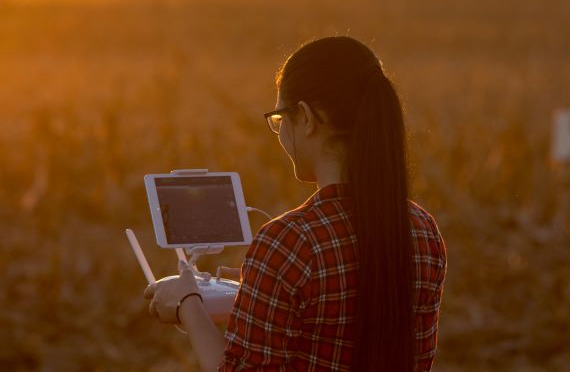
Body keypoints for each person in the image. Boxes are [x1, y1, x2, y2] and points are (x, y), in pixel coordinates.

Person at [144, 36, 447, 371]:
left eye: (278, 118)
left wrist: (189, 304)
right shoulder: (423, 232)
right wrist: (259, 293)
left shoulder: (289, 244)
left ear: (305, 118)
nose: (280, 130)